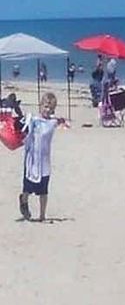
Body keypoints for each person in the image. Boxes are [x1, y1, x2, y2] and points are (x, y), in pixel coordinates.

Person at [17, 91, 66, 222]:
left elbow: (60, 121)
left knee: (43, 190)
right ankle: (23, 200)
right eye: (45, 106)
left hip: (44, 162)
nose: (47, 110)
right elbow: (23, 127)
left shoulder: (51, 123)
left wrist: (61, 120)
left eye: (50, 108)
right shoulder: (33, 120)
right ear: (40, 106)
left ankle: (42, 215)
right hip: (31, 160)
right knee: (27, 188)